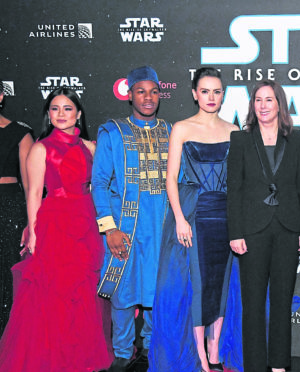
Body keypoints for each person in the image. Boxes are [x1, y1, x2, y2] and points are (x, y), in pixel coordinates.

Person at [0, 88, 111, 371]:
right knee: (56, 292)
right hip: (56, 224)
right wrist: (34, 232)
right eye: (55, 108)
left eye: (67, 108)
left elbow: (103, 187)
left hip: (87, 221)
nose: (61, 114)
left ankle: (79, 357)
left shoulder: (92, 148)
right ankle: (54, 358)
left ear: (79, 114)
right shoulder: (41, 148)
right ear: (48, 114)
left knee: (84, 290)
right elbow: (34, 193)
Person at [149, 67, 238, 372]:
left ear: (223, 95)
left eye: (217, 92)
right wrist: (179, 219)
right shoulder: (182, 128)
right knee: (198, 284)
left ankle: (215, 348)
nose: (211, 97)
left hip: (227, 217)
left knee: (222, 283)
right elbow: (170, 178)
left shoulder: (233, 129)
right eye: (205, 91)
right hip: (195, 216)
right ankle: (199, 354)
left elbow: (239, 180)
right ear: (194, 93)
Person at [227, 80, 300, 372]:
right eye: (258, 100)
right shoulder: (240, 139)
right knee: (252, 304)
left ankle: (278, 365)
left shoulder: (297, 138)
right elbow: (234, 189)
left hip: (287, 228)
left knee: (281, 302)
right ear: (253, 105)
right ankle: (254, 365)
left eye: (269, 100)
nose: (263, 105)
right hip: (252, 230)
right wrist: (235, 232)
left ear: (280, 104)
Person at [92, 66, 172, 372]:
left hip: (161, 225)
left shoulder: (170, 131)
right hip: (125, 226)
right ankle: (123, 352)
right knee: (124, 291)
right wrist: (108, 227)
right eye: (141, 91)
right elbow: (99, 182)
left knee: (157, 288)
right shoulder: (112, 131)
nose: (148, 97)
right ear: (130, 95)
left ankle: (152, 347)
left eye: (153, 91)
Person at [0, 86, 33, 334]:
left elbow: (30, 186)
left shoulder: (20, 134)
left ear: (1, 96)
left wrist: (29, 223)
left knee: (6, 271)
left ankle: (6, 334)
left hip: (8, 207)